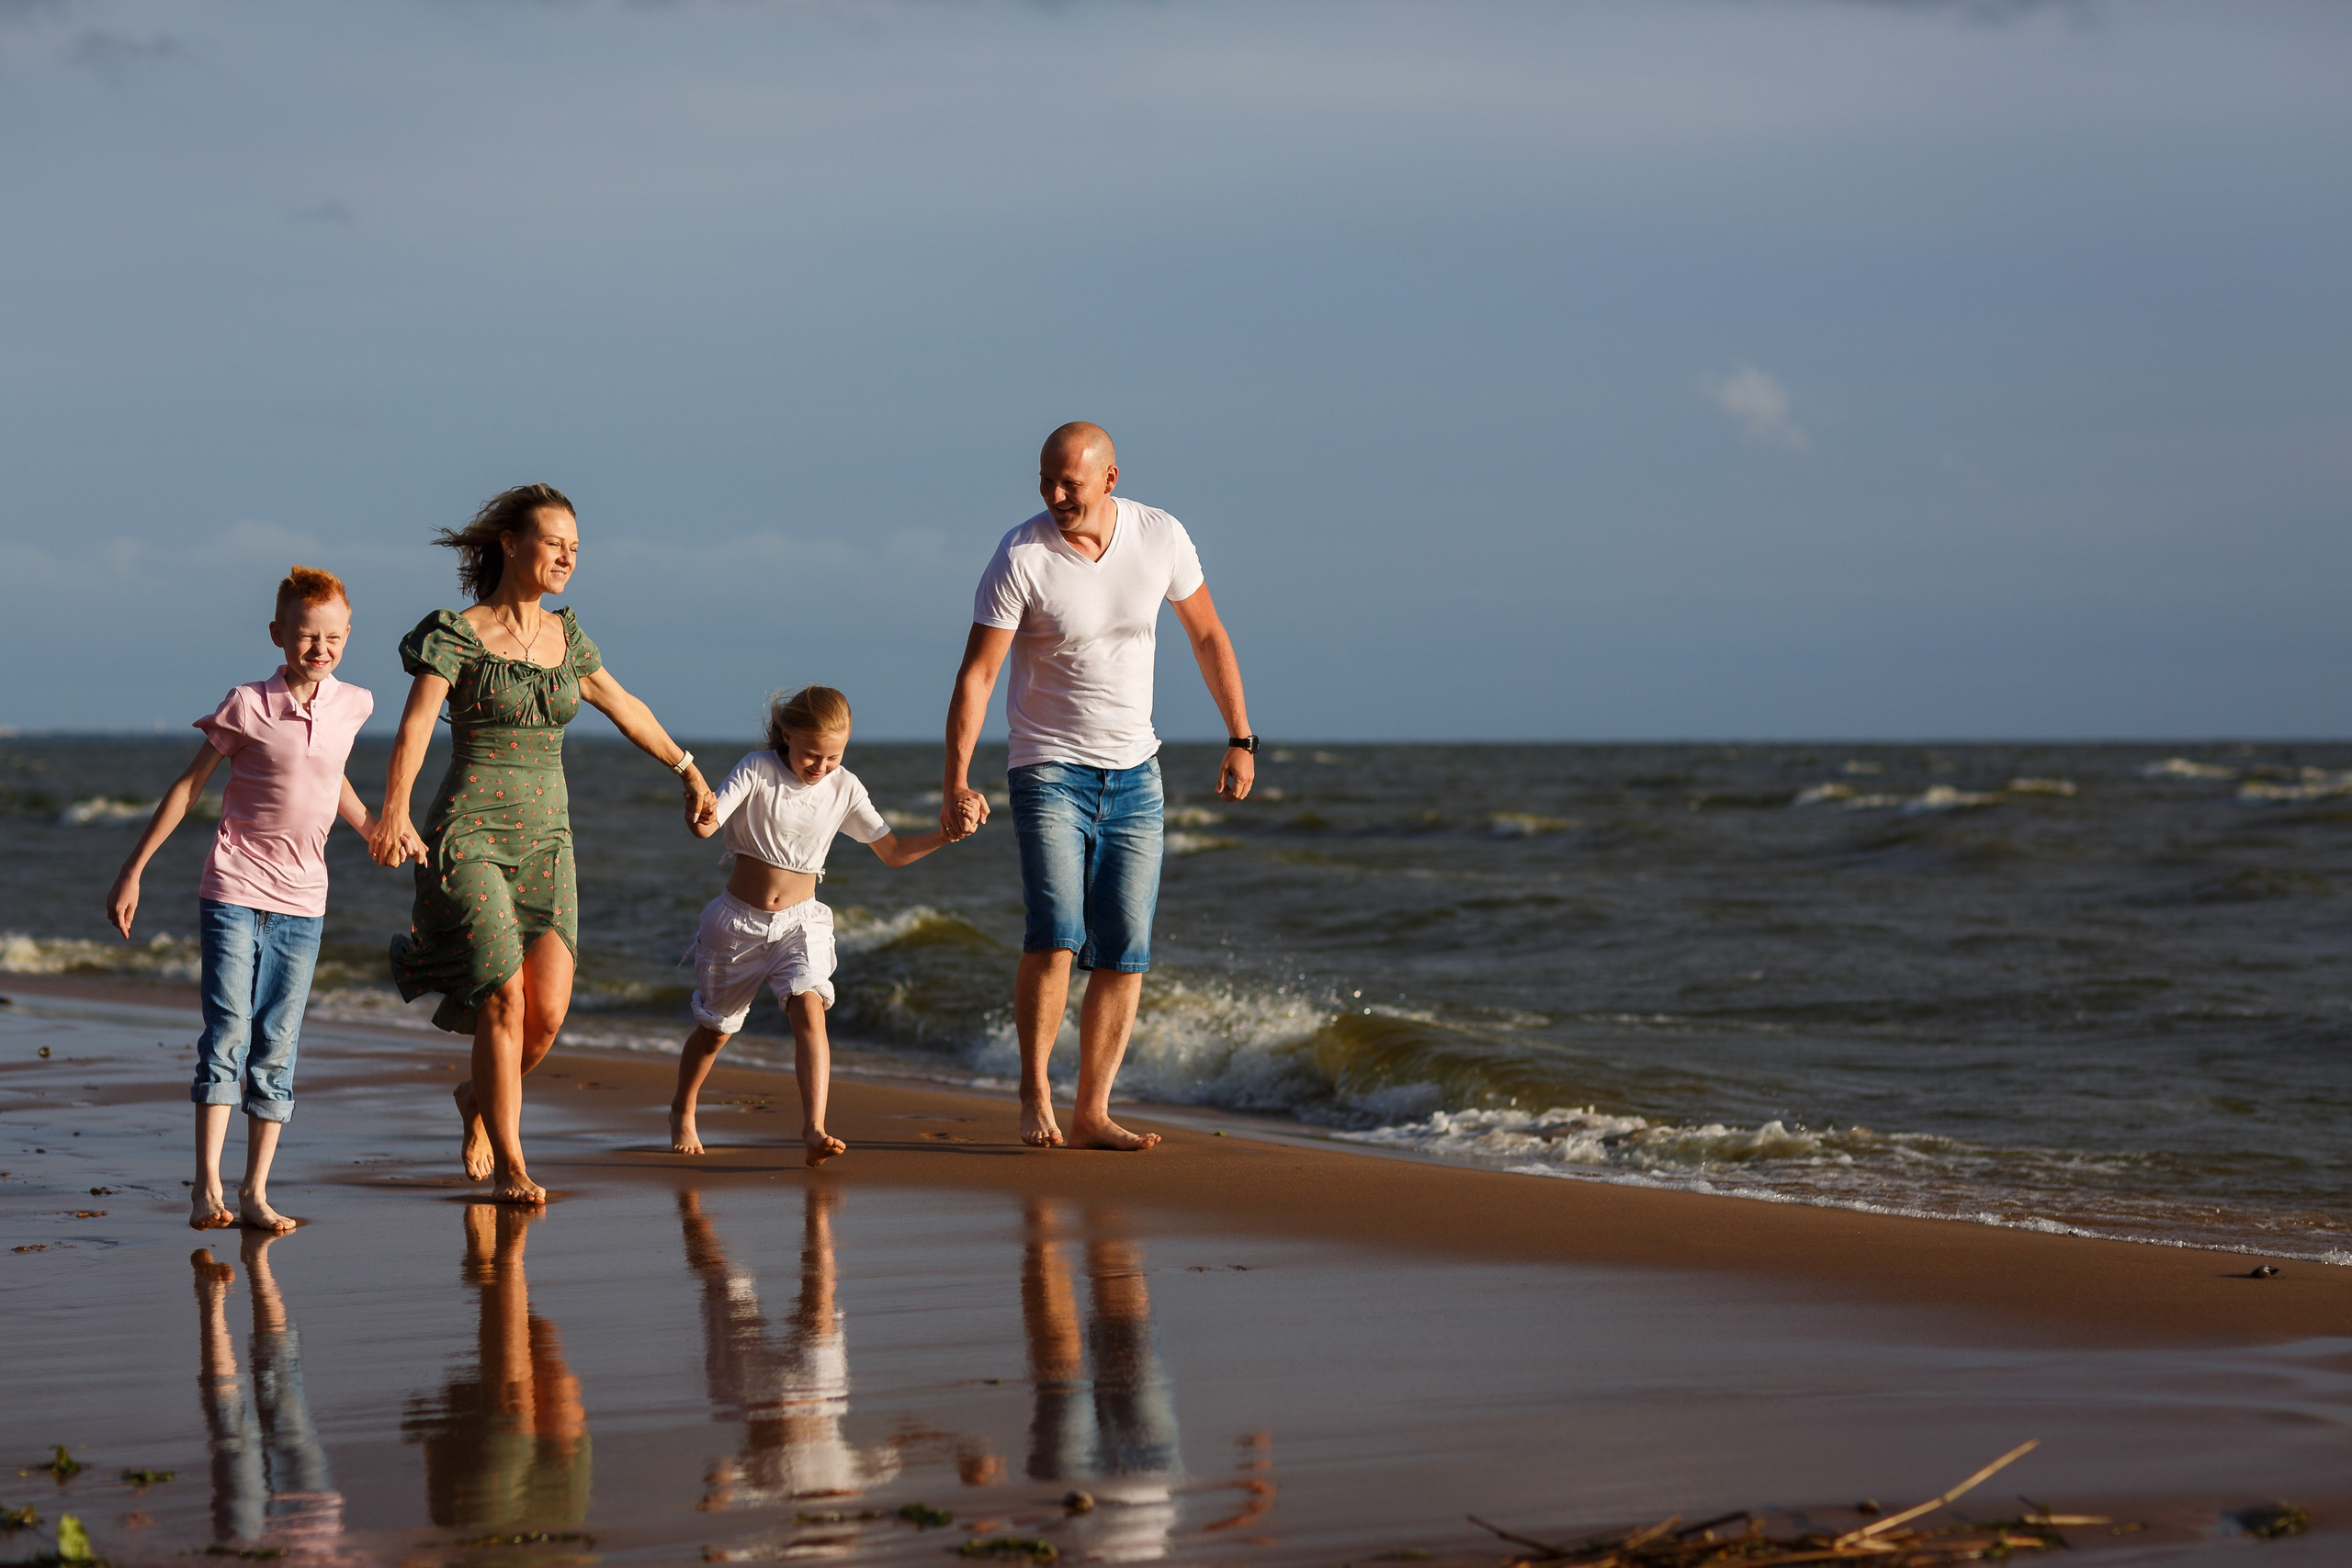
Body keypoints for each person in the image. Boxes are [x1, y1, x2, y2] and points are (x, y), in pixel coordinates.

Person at [371, 484, 716, 1205]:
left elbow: (624, 704)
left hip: (547, 842)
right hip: (469, 834)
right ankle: (513, 1162)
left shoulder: (568, 637)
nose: (567, 556)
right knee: (502, 996)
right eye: (554, 541)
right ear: (510, 543)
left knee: (547, 1014)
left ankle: (476, 1099)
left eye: (576, 548)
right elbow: (413, 727)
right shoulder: (456, 633)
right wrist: (394, 812)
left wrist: (687, 769)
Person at [941, 423, 1257, 1150]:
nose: (1055, 496)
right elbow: (978, 675)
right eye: (1046, 481)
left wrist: (1240, 737)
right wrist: (955, 780)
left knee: (1125, 947)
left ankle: (1092, 1110)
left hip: (1137, 773)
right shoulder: (1020, 554)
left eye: (1070, 484)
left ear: (1110, 478)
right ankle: (1034, 1089)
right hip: (1046, 767)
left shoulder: (1161, 536)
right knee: (1057, 933)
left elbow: (1208, 635)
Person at [107, 565, 379, 1232]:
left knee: (277, 1043)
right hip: (233, 888)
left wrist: (375, 828)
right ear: (279, 634)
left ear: (348, 637)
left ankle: (255, 1192)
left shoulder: (355, 704)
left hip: (305, 902)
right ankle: (207, 1188)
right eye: (307, 635)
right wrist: (134, 868)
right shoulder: (247, 703)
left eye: (333, 637)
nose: (320, 648)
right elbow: (188, 786)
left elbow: (332, 775)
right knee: (227, 1032)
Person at [669, 685, 951, 1164]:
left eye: (833, 757)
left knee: (810, 1006)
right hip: (737, 924)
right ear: (786, 736)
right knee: (716, 1029)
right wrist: (698, 812)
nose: (820, 768)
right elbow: (708, 826)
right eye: (811, 755)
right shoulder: (757, 769)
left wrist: (946, 833)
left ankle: (814, 1128)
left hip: (801, 923)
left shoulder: (845, 788)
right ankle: (683, 1107)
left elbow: (894, 852)